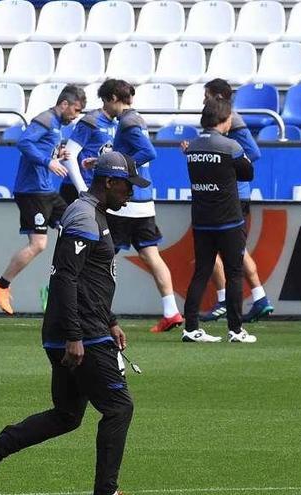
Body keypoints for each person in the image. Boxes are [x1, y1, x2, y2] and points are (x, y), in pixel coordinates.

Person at [0, 151, 143, 495]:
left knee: (67, 415)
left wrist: (111, 321)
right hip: (81, 334)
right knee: (119, 408)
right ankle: (107, 491)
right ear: (109, 182)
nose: (131, 193)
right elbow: (65, 278)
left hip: (87, 327)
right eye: (127, 186)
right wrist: (76, 335)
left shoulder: (95, 214)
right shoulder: (84, 215)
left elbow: (92, 279)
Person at [0, 85, 86, 315]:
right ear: (64, 104)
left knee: (75, 227)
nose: (76, 115)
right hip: (31, 191)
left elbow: (41, 146)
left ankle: (63, 285)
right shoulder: (45, 119)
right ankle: (1, 286)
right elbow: (24, 143)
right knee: (39, 244)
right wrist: (48, 161)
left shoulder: (57, 125)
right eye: (76, 109)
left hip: (46, 191)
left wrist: (56, 155)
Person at [99, 79, 183, 333]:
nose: (104, 107)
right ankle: (171, 312)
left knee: (100, 258)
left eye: (104, 101)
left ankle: (97, 312)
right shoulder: (135, 119)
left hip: (128, 203)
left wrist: (120, 170)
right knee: (151, 255)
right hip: (144, 201)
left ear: (114, 98)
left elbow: (148, 152)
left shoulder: (127, 121)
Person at [197, 79, 274, 324]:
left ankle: (224, 300)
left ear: (218, 97)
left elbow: (253, 153)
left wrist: (227, 165)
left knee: (220, 249)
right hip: (229, 194)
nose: (203, 100)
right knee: (235, 250)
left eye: (206, 95)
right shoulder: (221, 121)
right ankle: (259, 298)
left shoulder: (233, 121)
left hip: (232, 195)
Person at [182, 98, 257, 344]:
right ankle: (235, 330)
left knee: (201, 272)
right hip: (228, 220)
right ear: (225, 121)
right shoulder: (231, 146)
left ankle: (191, 328)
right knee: (234, 273)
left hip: (202, 220)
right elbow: (248, 172)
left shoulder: (191, 147)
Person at [59, 84, 118, 205]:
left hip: (100, 188)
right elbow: (68, 156)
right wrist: (82, 189)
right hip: (78, 189)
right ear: (112, 100)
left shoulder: (116, 124)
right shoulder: (91, 120)